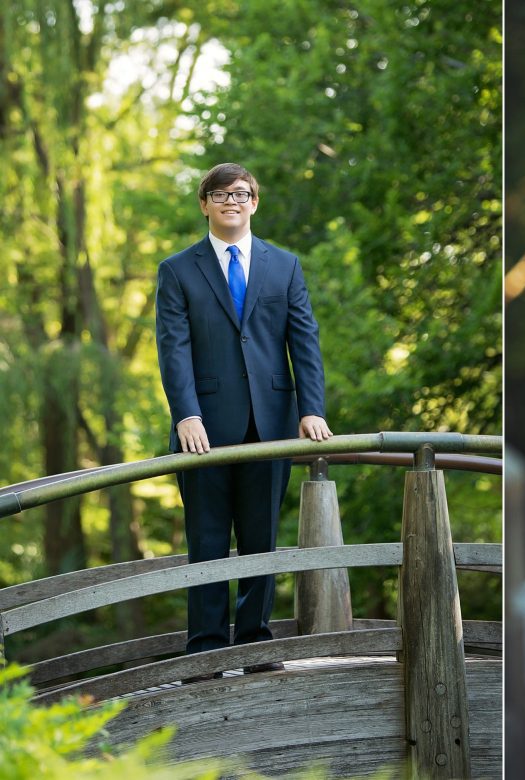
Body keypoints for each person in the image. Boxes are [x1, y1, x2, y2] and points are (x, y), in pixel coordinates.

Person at [156, 163, 332, 681]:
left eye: (240, 193)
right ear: (205, 205)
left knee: (262, 540)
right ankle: (206, 651)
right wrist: (185, 413)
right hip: (202, 429)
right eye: (219, 194)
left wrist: (311, 408)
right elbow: (173, 349)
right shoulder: (178, 269)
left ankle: (255, 643)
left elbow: (304, 340)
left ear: (254, 202)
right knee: (207, 541)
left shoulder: (285, 266)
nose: (231, 201)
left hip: (272, 422)